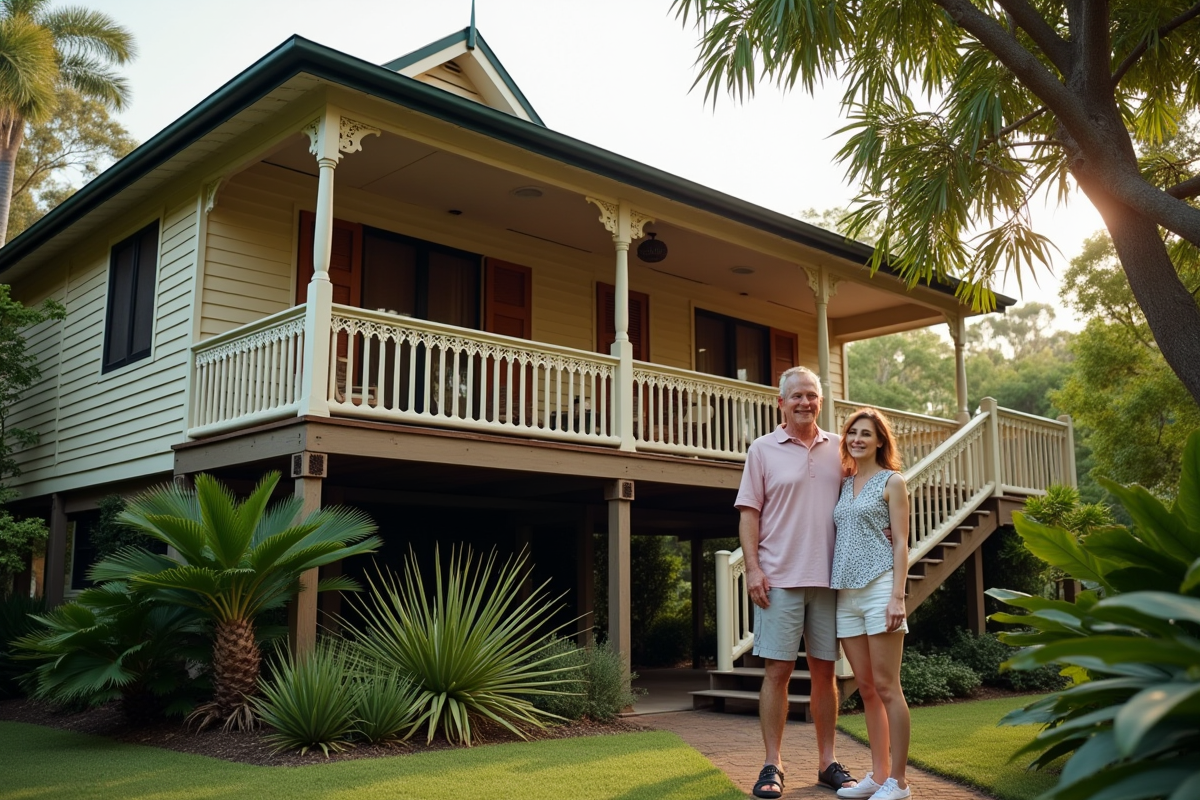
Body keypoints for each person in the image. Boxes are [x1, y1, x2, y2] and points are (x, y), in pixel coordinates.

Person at [734, 366, 859, 798]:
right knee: (778, 672)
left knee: (825, 674)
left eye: (812, 395)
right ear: (781, 402)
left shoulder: (842, 450)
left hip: (829, 581)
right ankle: (773, 765)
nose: (805, 402)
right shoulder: (762, 450)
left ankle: (828, 763)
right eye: (797, 396)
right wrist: (753, 568)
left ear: (821, 400)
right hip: (779, 580)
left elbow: (861, 507)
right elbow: (749, 513)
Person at [830, 408, 912, 800]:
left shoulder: (892, 482)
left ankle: (900, 782)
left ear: (880, 440)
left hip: (880, 589)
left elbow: (900, 542)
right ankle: (878, 776)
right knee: (865, 687)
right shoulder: (845, 485)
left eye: (865, 434)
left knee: (887, 686)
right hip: (845, 596)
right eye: (851, 433)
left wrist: (898, 595)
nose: (857, 439)